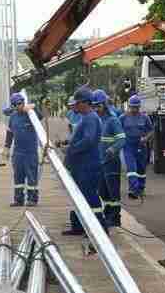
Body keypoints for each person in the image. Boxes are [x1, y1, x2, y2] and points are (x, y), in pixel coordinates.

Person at [61, 86, 108, 236]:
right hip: (81, 166)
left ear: (84, 103)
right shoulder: (86, 118)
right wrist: (69, 144)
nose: (75, 106)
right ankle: (78, 226)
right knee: (78, 197)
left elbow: (88, 140)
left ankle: (100, 229)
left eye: (77, 103)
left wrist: (71, 149)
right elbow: (82, 138)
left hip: (87, 166)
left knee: (90, 197)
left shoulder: (91, 119)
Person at [92, 89, 126, 227]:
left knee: (113, 192)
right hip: (99, 163)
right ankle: (108, 213)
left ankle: (115, 216)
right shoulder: (96, 120)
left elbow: (122, 140)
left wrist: (112, 149)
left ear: (104, 105)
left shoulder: (113, 121)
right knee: (102, 191)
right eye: (94, 106)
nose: (96, 109)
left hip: (111, 162)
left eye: (98, 106)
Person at [3, 92, 41, 207]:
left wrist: (34, 108)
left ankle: (32, 199)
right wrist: (6, 147)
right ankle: (18, 199)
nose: (20, 105)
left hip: (31, 152)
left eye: (21, 103)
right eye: (17, 104)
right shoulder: (13, 117)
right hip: (18, 152)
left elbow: (40, 116)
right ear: (13, 105)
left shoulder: (30, 114)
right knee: (18, 176)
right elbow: (10, 133)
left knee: (31, 176)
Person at [119, 95, 154, 199]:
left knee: (141, 169)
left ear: (139, 107)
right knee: (131, 168)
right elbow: (117, 131)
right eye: (132, 107)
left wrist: (146, 138)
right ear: (129, 106)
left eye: (136, 107)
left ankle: (141, 188)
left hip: (141, 146)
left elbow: (151, 130)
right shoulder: (122, 118)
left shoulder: (145, 117)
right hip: (128, 146)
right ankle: (133, 190)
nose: (134, 109)